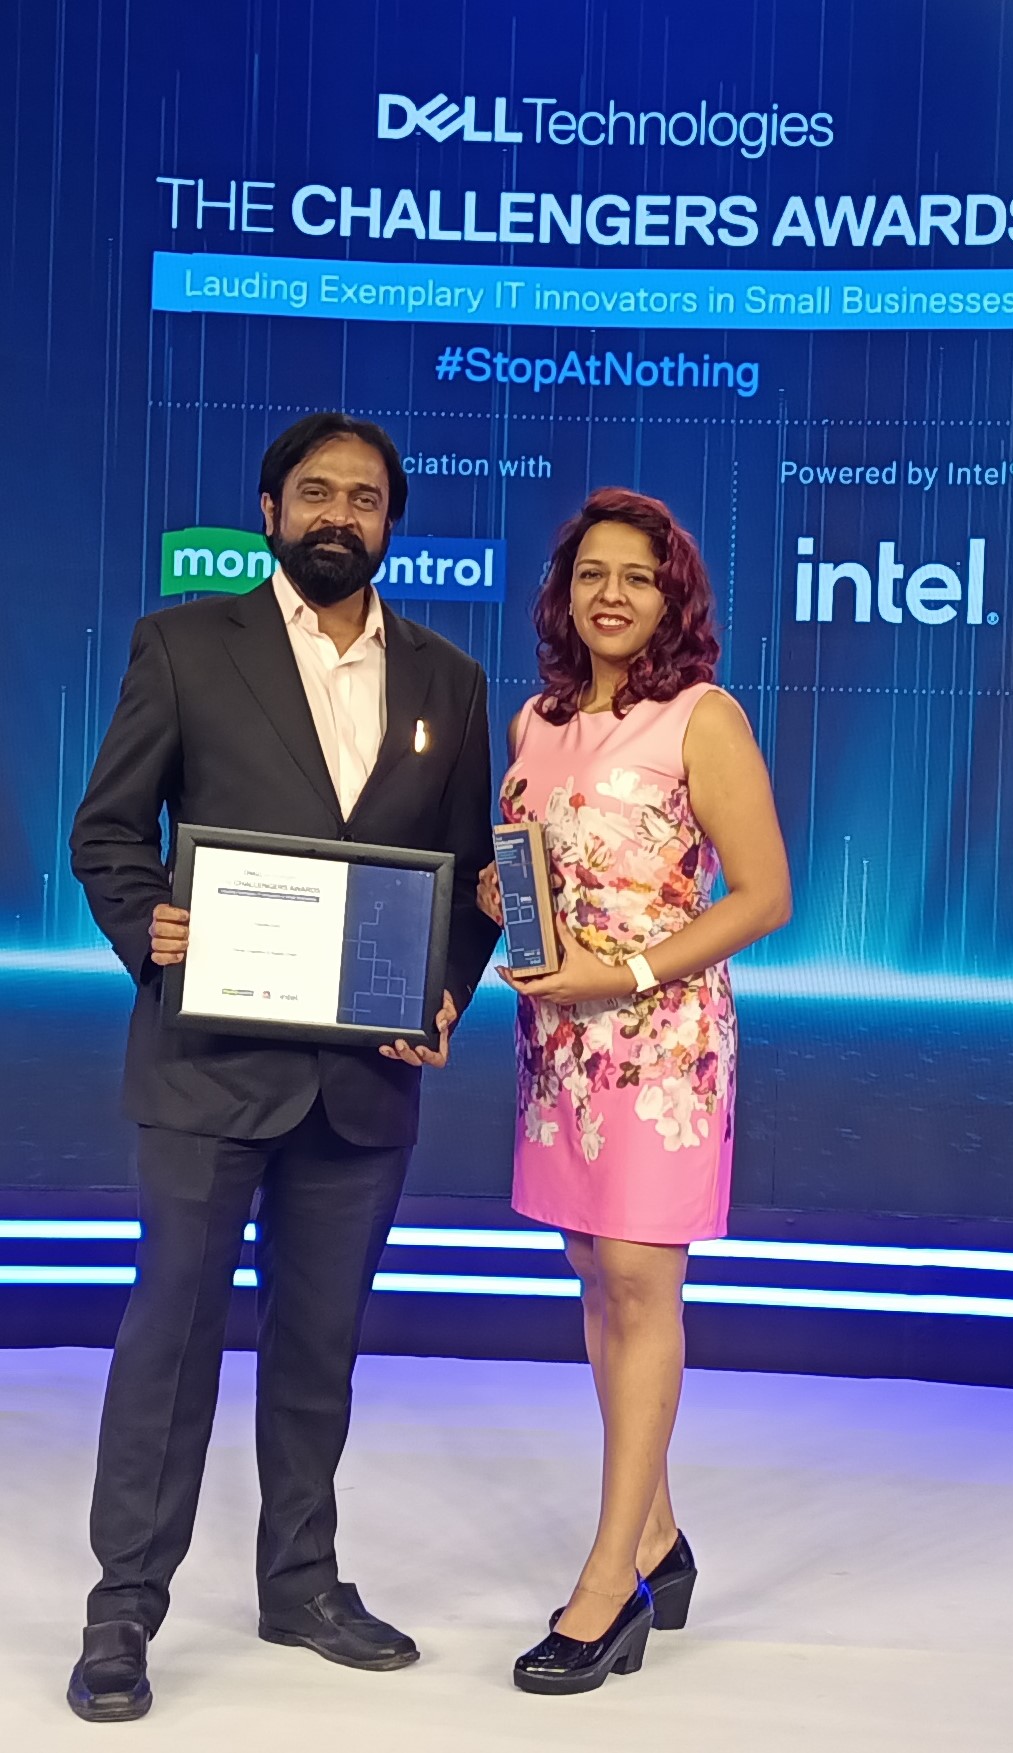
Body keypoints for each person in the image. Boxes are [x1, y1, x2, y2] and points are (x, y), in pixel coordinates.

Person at [66, 412, 499, 1723]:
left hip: (363, 1081)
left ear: (389, 523)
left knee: (320, 1346)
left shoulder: (449, 681)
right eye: (316, 492)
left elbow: (467, 877)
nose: (338, 515)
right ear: (269, 512)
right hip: (208, 1064)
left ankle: (300, 1581)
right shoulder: (184, 645)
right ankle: (123, 1608)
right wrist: (149, 923)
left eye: (364, 498)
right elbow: (107, 830)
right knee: (172, 1338)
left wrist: (444, 990)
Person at [478, 487, 791, 1696]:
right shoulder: (537, 718)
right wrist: (502, 901)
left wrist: (628, 971)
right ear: (561, 594)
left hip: (659, 1039)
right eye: (589, 574)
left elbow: (761, 894)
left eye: (636, 577)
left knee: (636, 1277)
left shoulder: (701, 716)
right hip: (558, 1042)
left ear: (673, 599)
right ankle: (656, 1533)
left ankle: (608, 1581)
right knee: (593, 1275)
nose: (610, 595)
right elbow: (534, 871)